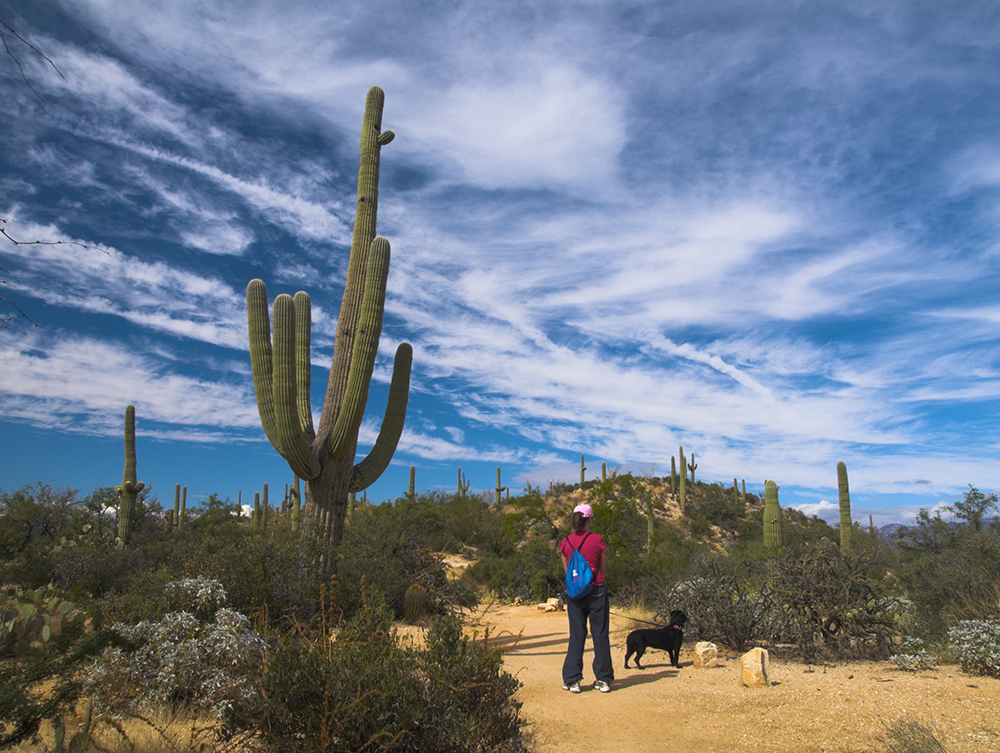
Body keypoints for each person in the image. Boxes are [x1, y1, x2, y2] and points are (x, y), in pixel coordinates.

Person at [559, 503, 614, 693]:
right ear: (589, 519)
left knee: (577, 634)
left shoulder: (566, 541)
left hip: (574, 593)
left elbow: (567, 571)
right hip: (596, 590)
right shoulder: (598, 540)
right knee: (600, 633)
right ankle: (603, 679)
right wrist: (599, 582)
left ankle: (572, 679)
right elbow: (603, 568)